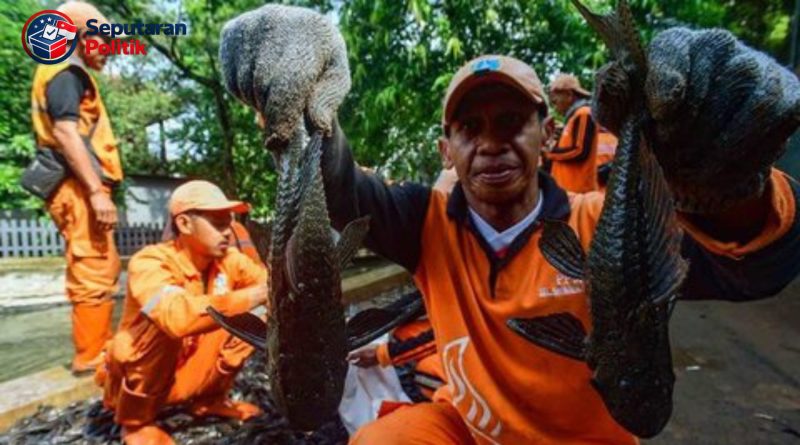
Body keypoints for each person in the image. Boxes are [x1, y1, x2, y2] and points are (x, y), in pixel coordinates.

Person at [219, 6, 800, 443]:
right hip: (471, 429)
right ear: (446, 148)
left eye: (511, 121)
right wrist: (306, 96)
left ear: (547, 134)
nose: (491, 142)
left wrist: (723, 189)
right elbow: (340, 187)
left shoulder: (598, 225)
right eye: (470, 127)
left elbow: (751, 265)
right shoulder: (424, 222)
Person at [99, 180, 268, 445]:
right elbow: (177, 319)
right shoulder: (149, 261)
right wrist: (256, 295)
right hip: (140, 384)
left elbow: (271, 286)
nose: (228, 232)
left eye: (230, 222)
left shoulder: (230, 261)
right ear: (185, 224)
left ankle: (209, 399)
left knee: (257, 317)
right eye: (218, 223)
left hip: (189, 373)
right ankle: (135, 424)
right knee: (160, 324)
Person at [29, 1, 122, 375]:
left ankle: (97, 349)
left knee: (103, 263)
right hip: (79, 189)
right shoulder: (66, 71)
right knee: (93, 267)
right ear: (84, 36)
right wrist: (97, 191)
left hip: (80, 188)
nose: (110, 53)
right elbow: (66, 133)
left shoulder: (68, 70)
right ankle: (90, 357)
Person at [545, 73, 600, 193]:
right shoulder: (574, 117)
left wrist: (549, 153)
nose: (555, 107)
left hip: (577, 191)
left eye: (555, 101)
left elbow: (579, 151)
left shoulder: (584, 113)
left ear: (569, 95)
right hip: (567, 190)